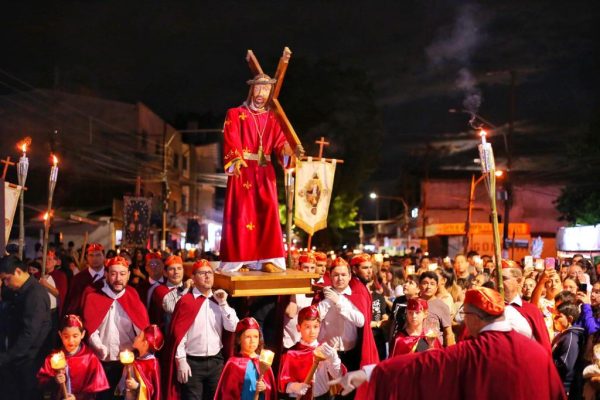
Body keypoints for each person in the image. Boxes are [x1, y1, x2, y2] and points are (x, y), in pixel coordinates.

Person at [331, 287, 566, 399]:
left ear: (474, 318)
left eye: (464, 315)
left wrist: (369, 373)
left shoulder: (472, 352)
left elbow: (422, 364)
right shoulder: (536, 351)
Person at [219, 73, 301, 273]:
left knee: (268, 213)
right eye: (258, 88)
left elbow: (281, 143)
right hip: (243, 170)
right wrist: (235, 159)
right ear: (251, 89)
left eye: (266, 89)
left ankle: (268, 259)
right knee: (242, 214)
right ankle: (241, 259)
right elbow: (231, 137)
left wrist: (288, 151)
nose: (261, 93)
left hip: (265, 171)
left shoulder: (274, 118)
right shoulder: (235, 113)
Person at [163, 259, 239, 400]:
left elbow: (233, 326)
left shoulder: (220, 300)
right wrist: (181, 360)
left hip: (216, 362)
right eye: (202, 273)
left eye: (210, 273)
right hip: (192, 363)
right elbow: (179, 334)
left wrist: (223, 303)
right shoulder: (186, 301)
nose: (207, 276)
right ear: (193, 278)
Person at [82, 256, 150, 399]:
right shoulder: (93, 297)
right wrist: (98, 347)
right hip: (102, 362)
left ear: (129, 275)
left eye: (122, 274)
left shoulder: (133, 296)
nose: (118, 278)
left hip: (128, 363)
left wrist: (137, 350)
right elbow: (91, 329)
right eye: (113, 273)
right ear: (106, 274)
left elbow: (142, 329)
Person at [314, 257, 379, 399]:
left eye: (343, 275)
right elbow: (315, 318)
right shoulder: (323, 296)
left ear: (350, 276)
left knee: (349, 394)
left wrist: (339, 302)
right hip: (328, 354)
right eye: (336, 275)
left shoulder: (356, 295)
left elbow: (361, 321)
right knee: (328, 394)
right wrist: (328, 301)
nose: (340, 278)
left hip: (351, 354)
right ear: (330, 276)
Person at [0, 254, 52, 400]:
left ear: (18, 271)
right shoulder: (22, 290)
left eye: (6, 279)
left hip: (29, 360)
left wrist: (7, 357)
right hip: (20, 357)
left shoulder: (34, 294)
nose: (5, 283)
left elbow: (30, 333)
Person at [279, 305, 345, 400]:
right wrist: (295, 386)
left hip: (322, 397)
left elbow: (337, 376)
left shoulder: (324, 350)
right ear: (298, 328)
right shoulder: (291, 353)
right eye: (307, 327)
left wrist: (333, 358)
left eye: (315, 326)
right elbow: (284, 383)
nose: (312, 331)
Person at [37, 314, 109, 400]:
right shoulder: (53, 357)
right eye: (66, 336)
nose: (71, 341)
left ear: (82, 334)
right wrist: (54, 381)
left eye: (75, 336)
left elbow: (95, 389)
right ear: (60, 335)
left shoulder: (89, 358)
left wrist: (77, 397)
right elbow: (41, 382)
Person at [214, 317, 277, 400]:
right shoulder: (233, 363)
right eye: (248, 337)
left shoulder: (263, 360)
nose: (252, 341)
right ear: (239, 339)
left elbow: (271, 390)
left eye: (256, 336)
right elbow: (226, 393)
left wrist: (265, 388)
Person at [501, 261, 551, 351]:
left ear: (519, 281)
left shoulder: (532, 311)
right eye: (495, 277)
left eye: (503, 278)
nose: (498, 282)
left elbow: (544, 347)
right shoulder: (487, 309)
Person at [115, 324, 163, 400]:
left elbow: (153, 391)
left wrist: (137, 386)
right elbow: (122, 388)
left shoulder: (153, 364)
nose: (135, 337)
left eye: (139, 336)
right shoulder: (134, 360)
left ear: (145, 344)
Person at [552, 302, 585, 398]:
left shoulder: (571, 337)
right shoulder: (565, 334)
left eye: (559, 317)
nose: (555, 319)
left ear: (569, 319)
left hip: (564, 389)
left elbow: (566, 364)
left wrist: (546, 361)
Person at [150, 255, 192, 329]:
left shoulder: (191, 288)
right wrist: (185, 289)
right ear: (165, 273)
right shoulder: (160, 289)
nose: (176, 272)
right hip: (168, 336)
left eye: (179, 268)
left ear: (183, 271)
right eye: (172, 269)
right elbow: (172, 308)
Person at [64, 243, 106, 315]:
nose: (94, 258)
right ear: (86, 257)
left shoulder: (111, 276)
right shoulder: (78, 279)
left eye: (98, 255)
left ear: (104, 256)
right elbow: (72, 304)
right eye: (91, 255)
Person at [418, 271, 455, 346]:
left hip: (434, 348)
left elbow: (448, 333)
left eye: (432, 284)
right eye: (425, 283)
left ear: (436, 287)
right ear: (419, 286)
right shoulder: (414, 303)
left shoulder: (442, 306)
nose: (428, 287)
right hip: (414, 347)